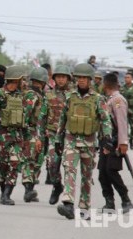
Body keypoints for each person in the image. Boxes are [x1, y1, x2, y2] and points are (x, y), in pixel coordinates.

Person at [56, 63, 112, 219]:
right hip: (71, 140)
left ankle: (84, 207)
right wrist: (57, 139)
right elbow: (63, 119)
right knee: (69, 170)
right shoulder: (69, 97)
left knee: (86, 176)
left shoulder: (98, 99)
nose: (81, 80)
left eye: (84, 78)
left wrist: (107, 137)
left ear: (90, 80)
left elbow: (105, 119)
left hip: (89, 142)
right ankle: (68, 204)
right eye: (79, 77)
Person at [98, 73, 133, 213]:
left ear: (105, 84)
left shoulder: (118, 100)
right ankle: (109, 202)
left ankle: (126, 199)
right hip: (105, 141)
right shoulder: (109, 99)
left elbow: (121, 122)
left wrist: (123, 142)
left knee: (111, 171)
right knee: (102, 172)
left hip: (114, 142)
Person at [0, 65, 26, 205]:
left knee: (14, 163)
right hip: (2, 135)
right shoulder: (0, 94)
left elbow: (26, 117)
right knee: (2, 165)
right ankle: (2, 190)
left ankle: (7, 194)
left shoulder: (21, 95)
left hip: (17, 136)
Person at [44, 65, 72, 205]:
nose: (61, 80)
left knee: (69, 165)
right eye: (58, 77)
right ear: (54, 78)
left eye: (63, 77)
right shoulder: (48, 95)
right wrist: (38, 136)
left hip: (69, 136)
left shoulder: (73, 95)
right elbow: (42, 117)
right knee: (52, 164)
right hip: (53, 135)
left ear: (68, 78)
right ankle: (57, 186)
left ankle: (68, 195)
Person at [21, 67, 48, 202]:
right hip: (31, 131)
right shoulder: (32, 95)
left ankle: (30, 189)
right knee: (29, 161)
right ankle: (28, 189)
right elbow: (26, 114)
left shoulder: (41, 95)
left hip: (40, 132)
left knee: (38, 161)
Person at [120, 71, 133, 149]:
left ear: (131, 79)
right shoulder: (122, 88)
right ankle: (124, 142)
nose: (126, 79)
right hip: (123, 110)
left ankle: (131, 141)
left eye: (128, 77)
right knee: (123, 127)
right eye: (125, 77)